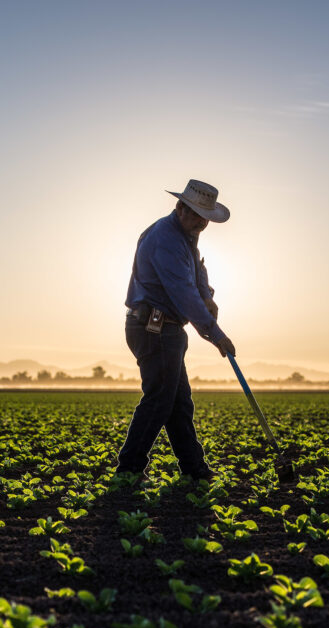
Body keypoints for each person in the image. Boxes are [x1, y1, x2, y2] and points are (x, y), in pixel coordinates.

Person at [116, 179, 237, 481]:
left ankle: (194, 469)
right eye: (196, 214)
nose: (201, 222)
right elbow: (183, 292)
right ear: (180, 207)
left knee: (178, 402)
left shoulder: (185, 237)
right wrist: (215, 333)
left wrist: (207, 294)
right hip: (153, 327)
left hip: (164, 328)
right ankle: (129, 468)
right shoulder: (166, 239)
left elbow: (196, 271)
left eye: (205, 218)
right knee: (160, 399)